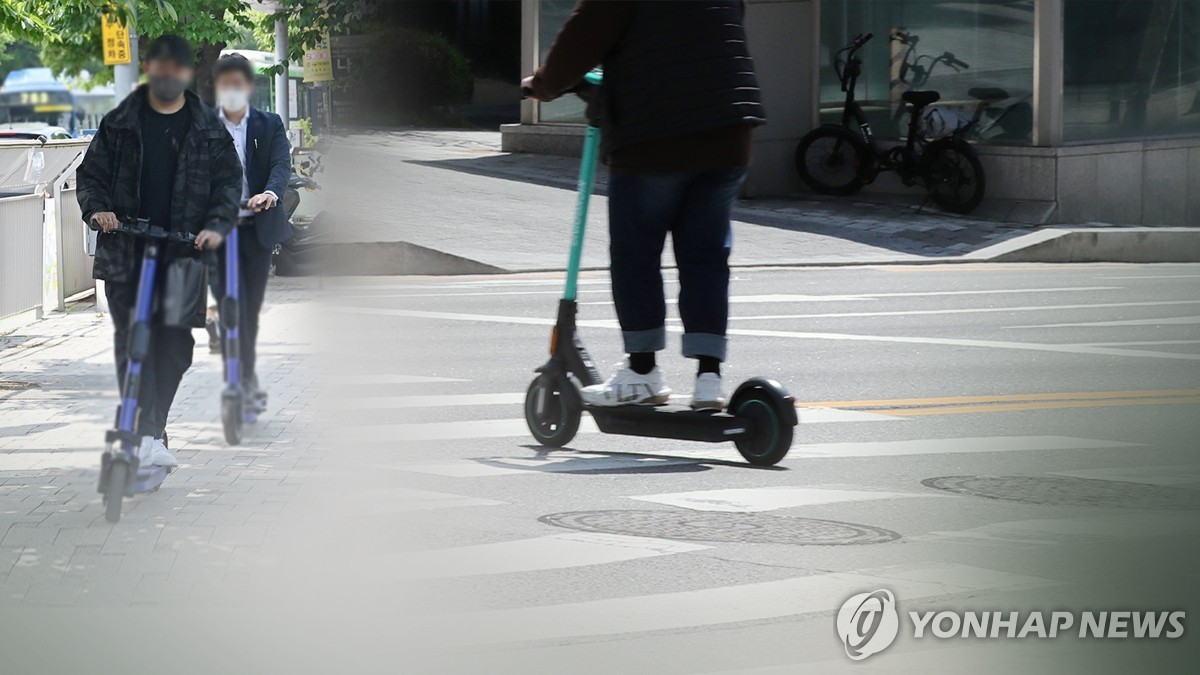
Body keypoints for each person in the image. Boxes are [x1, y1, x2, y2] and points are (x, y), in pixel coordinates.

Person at [522, 0, 766, 410]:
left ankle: (642, 372)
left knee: (637, 254)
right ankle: (709, 378)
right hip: (729, 128)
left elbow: (584, 36)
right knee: (705, 257)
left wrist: (544, 85)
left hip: (656, 134)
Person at [77, 34, 242, 467]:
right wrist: (98, 210)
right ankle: (144, 431)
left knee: (172, 348)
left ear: (186, 74)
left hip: (182, 252)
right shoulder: (120, 122)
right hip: (125, 250)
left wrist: (215, 225)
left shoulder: (208, 126)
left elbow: (229, 183)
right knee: (134, 343)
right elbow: (90, 175)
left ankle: (152, 430)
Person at [210, 52, 293, 412]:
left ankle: (244, 379)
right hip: (218, 233)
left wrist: (270, 193)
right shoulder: (202, 128)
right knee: (231, 307)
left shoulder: (268, 123)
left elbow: (280, 164)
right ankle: (240, 381)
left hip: (256, 231)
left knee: (249, 308)